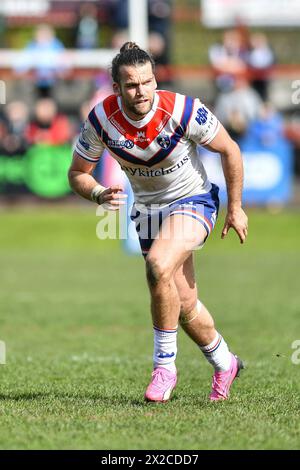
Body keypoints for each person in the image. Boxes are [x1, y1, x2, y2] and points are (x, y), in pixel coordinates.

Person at [68, 42, 248, 403]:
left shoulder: (182, 109)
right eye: (132, 85)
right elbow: (76, 173)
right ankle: (225, 362)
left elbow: (230, 148)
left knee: (156, 265)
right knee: (184, 305)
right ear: (117, 87)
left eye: (148, 82)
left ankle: (164, 367)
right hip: (148, 212)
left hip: (194, 200)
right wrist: (99, 194)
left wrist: (236, 207)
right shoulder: (101, 120)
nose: (142, 91)